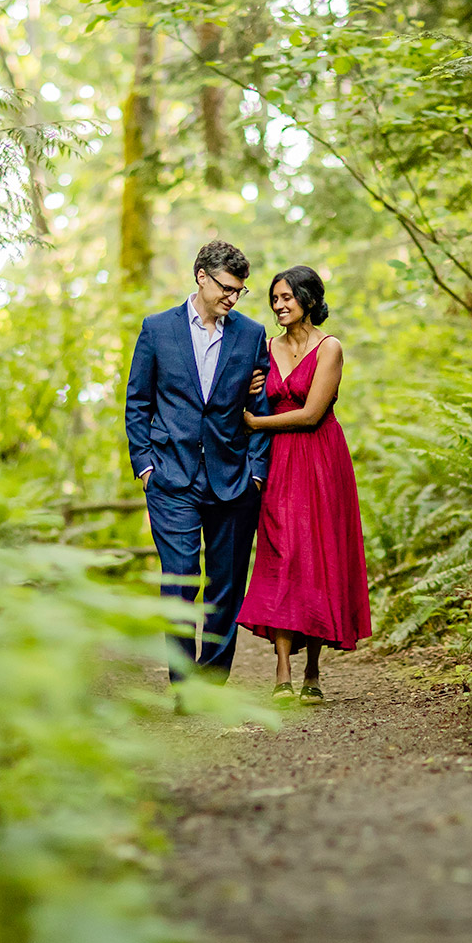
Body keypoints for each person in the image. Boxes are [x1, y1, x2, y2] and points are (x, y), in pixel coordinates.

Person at [125, 240, 273, 685]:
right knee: (180, 581)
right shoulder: (156, 329)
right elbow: (138, 401)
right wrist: (145, 465)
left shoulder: (250, 334)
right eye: (227, 288)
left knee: (226, 586)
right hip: (171, 477)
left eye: (240, 291)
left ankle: (212, 681)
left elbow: (261, 407)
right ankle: (184, 685)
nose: (233, 297)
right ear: (201, 277)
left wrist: (257, 471)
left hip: (234, 478)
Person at [237, 265, 372, 699]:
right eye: (274, 298)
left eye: (287, 298)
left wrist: (257, 422)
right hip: (278, 462)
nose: (279, 305)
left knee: (318, 555)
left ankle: (313, 668)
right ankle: (281, 674)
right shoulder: (265, 346)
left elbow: (313, 413)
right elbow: (248, 392)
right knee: (282, 555)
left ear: (308, 300)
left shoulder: (329, 348)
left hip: (320, 458)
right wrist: (251, 391)